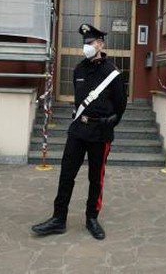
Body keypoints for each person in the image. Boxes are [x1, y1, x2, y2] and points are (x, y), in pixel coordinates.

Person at [31, 23, 127, 240]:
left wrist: (111, 122)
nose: (87, 46)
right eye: (84, 43)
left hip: (100, 132)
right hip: (78, 129)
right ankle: (58, 218)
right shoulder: (79, 70)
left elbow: (121, 104)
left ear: (101, 44)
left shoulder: (112, 73)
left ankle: (92, 218)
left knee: (96, 178)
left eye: (91, 42)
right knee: (66, 174)